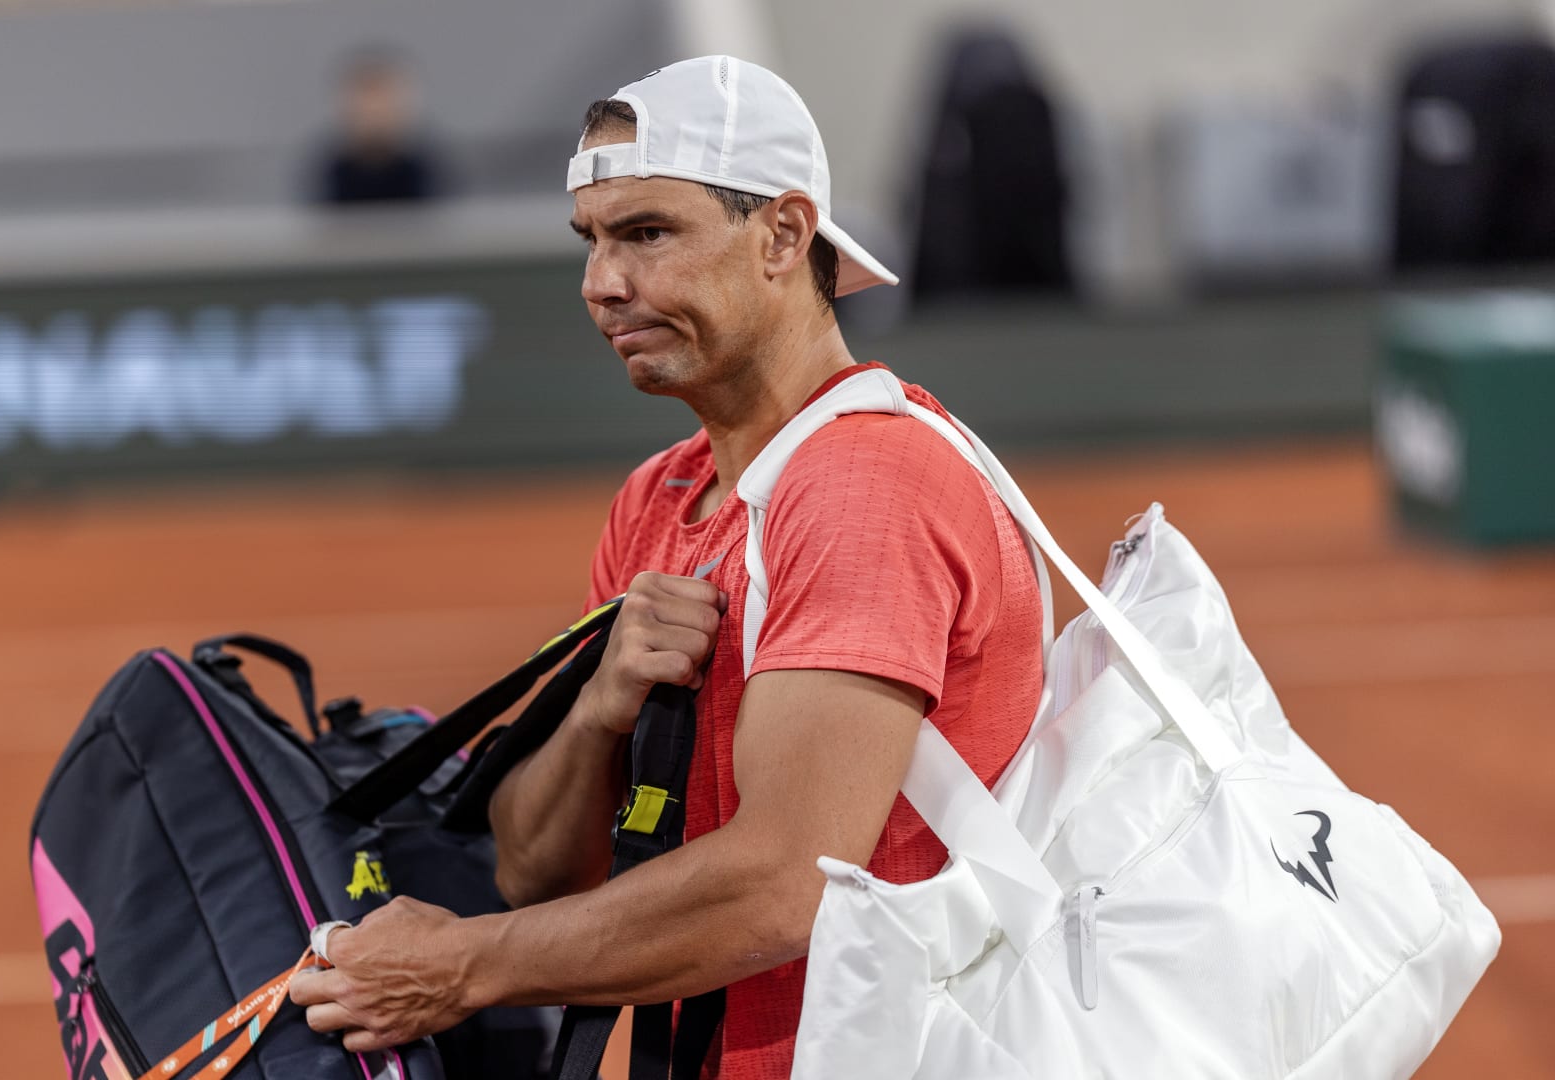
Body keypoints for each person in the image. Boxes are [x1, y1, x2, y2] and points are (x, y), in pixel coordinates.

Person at [290, 55, 1044, 1078]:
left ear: (783, 233)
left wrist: (465, 967)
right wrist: (603, 701)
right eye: (592, 242)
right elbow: (535, 866)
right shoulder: (661, 497)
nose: (603, 284)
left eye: (649, 234)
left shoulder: (867, 485)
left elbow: (787, 883)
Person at [318, 47, 445, 204]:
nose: (374, 109)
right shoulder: (325, 178)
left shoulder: (432, 174)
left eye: (383, 99)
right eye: (365, 99)